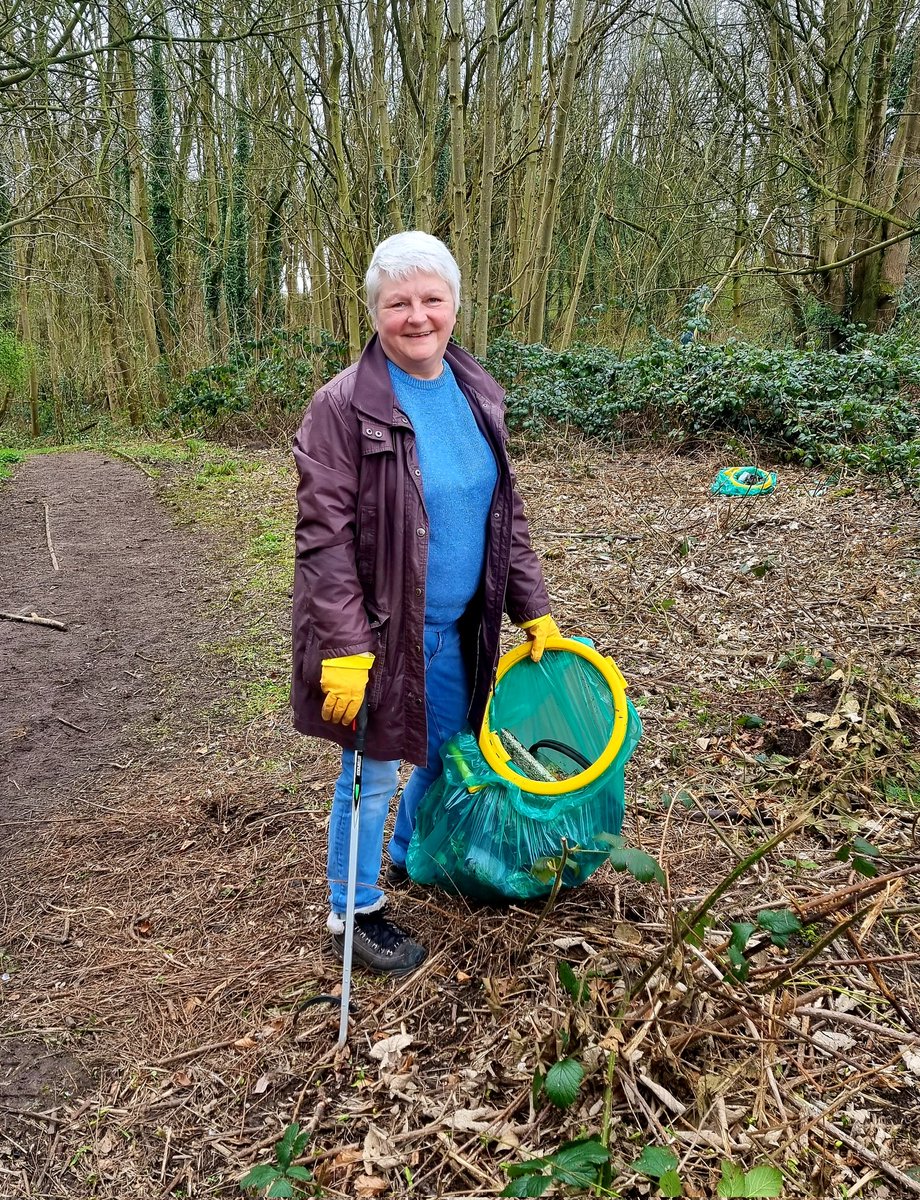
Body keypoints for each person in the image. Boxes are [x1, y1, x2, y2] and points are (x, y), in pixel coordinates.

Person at [291, 231, 559, 975]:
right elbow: (323, 542)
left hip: (461, 625)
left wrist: (529, 604)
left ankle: (412, 853)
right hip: (379, 635)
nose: (417, 316)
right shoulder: (341, 408)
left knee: (451, 754)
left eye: (431, 299)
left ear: (454, 306)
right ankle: (355, 909)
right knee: (371, 771)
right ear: (374, 313)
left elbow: (505, 510)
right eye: (397, 302)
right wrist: (345, 650)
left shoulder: (476, 392)